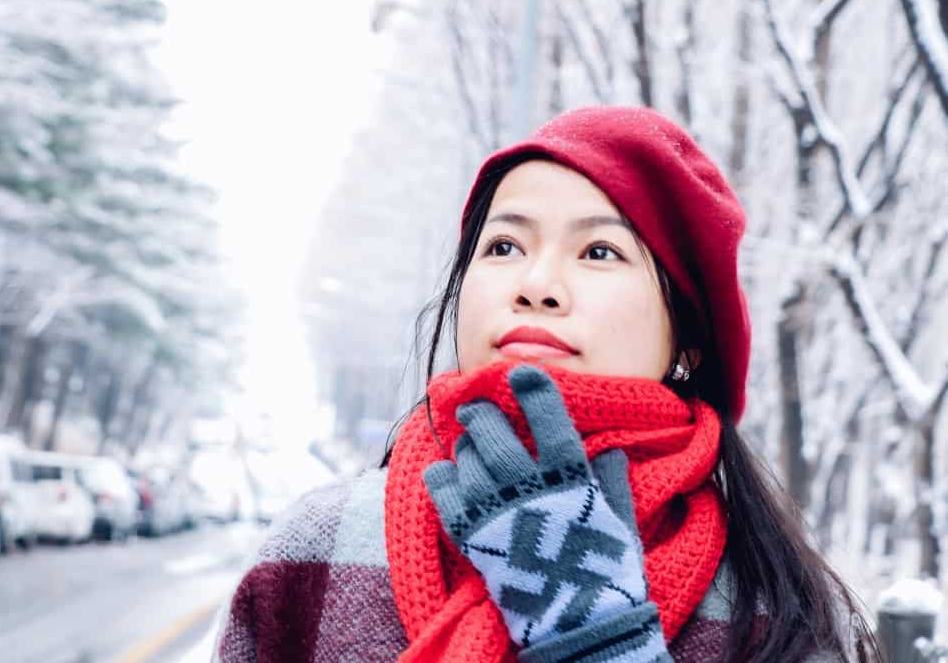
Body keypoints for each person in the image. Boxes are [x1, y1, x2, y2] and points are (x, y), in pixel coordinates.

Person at [212, 106, 880, 662]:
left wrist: (594, 637)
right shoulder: (319, 550)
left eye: (599, 252)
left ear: (688, 336)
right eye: (503, 247)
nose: (534, 286)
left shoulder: (776, 613)